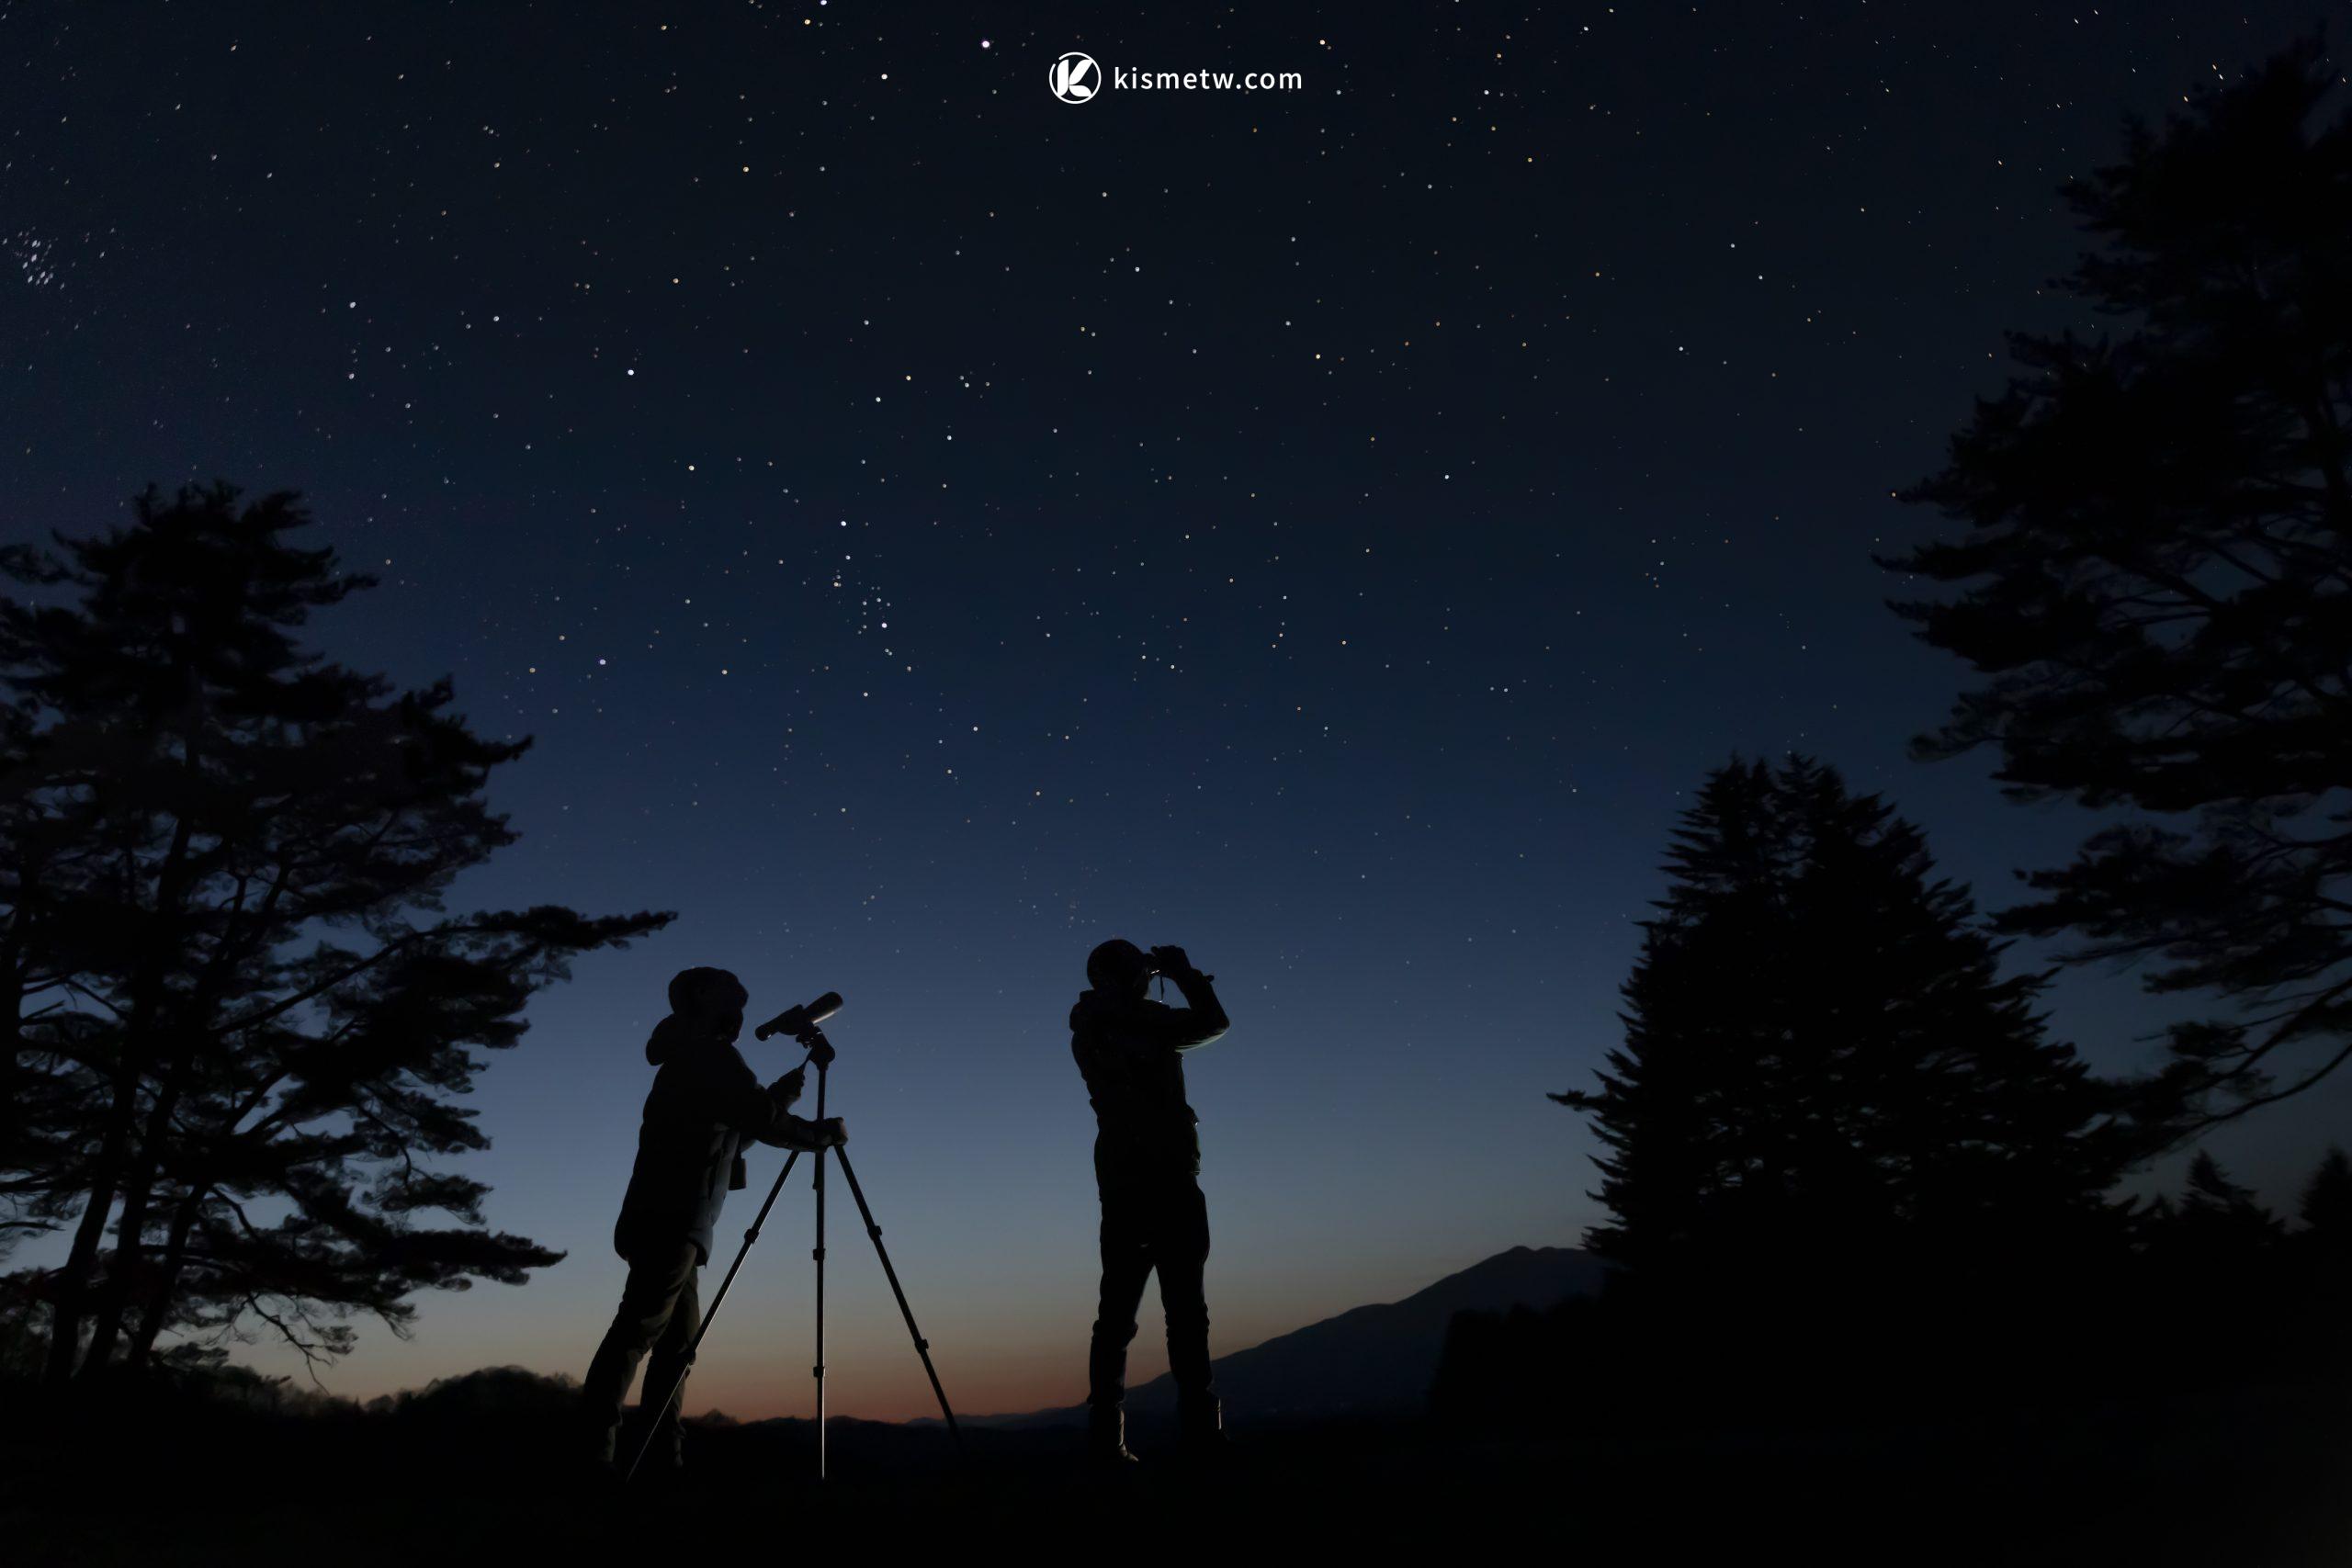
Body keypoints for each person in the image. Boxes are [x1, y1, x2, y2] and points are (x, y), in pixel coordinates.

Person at [582, 966, 845, 1474]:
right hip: (673, 1219)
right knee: (637, 1333)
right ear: (705, 999)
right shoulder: (707, 1055)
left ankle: (661, 1457)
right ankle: (594, 1458)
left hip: (673, 1221)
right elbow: (759, 1121)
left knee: (675, 1348)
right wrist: (820, 1136)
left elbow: (732, 1135)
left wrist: (784, 1094)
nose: (740, 1015)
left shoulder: (691, 1056)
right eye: (734, 1003)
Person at [1069, 938, 1232, 1463]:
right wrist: (1183, 972)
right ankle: (1201, 1434)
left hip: (1124, 1188)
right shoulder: (1143, 1023)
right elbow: (1213, 1022)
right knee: (1184, 1312)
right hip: (1166, 1183)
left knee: (1117, 1316)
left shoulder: (1088, 1025)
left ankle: (1106, 1438)